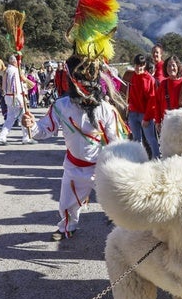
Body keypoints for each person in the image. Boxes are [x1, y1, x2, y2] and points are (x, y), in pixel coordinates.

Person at [22, 55, 130, 241]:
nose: (86, 89)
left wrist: (121, 166)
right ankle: (66, 227)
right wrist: (31, 125)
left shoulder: (106, 110)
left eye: (89, 84)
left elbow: (116, 142)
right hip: (73, 166)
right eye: (82, 84)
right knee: (66, 203)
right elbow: (43, 130)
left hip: (102, 168)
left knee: (119, 203)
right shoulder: (61, 106)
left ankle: (127, 233)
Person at [0, 55, 36, 145]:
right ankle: (26, 138)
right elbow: (15, 87)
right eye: (18, 62)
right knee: (24, 117)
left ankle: (1, 137)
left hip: (8, 97)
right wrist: (21, 100)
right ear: (15, 62)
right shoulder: (15, 71)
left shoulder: (7, 70)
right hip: (16, 97)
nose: (19, 63)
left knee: (10, 118)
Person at [126, 54, 160, 159]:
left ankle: (157, 159)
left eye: (140, 66)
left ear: (144, 65)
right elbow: (129, 93)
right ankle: (140, 160)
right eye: (136, 65)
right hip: (133, 113)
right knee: (136, 140)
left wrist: (147, 118)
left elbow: (152, 100)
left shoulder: (150, 79)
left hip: (145, 114)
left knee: (151, 139)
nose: (138, 68)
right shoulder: (132, 77)